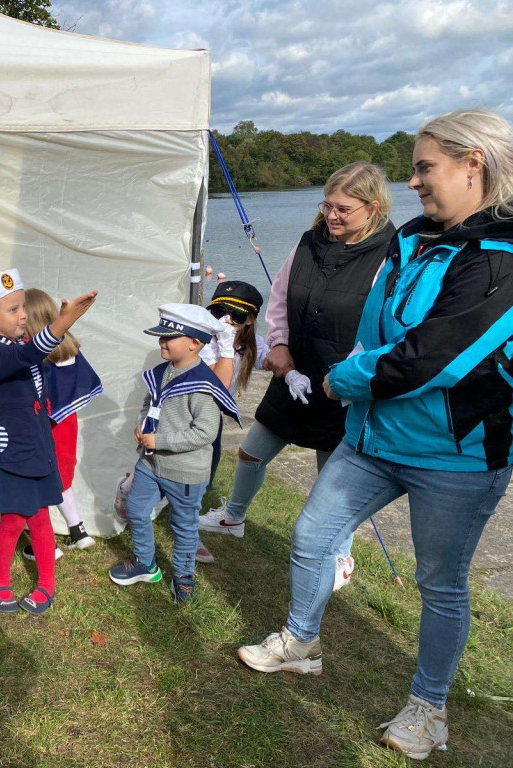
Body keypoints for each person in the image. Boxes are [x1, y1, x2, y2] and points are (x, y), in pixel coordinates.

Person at [237, 109, 513, 761]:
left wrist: (341, 379)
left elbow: (431, 357)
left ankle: (428, 707)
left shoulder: (502, 258)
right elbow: (378, 328)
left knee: (439, 582)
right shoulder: (413, 238)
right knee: (310, 534)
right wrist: (360, 369)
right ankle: (300, 644)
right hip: (373, 438)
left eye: (424, 168)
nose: (413, 182)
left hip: (458, 453)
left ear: (473, 163)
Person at [199, 162, 396, 590]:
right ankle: (233, 516)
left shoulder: (391, 254)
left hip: (345, 384)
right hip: (295, 373)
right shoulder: (308, 243)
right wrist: (281, 344)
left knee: (335, 479)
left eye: (344, 209)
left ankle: (340, 554)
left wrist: (354, 374)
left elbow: (388, 323)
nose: (332, 216)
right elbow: (281, 298)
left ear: (373, 208)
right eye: (327, 205)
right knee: (252, 452)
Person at [0, 265, 97, 616]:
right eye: (13, 310)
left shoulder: (16, 343)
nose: (23, 315)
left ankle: (47, 584)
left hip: (37, 447)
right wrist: (61, 323)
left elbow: (40, 361)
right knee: (12, 520)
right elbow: (26, 357)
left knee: (41, 518)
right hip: (12, 451)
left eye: (23, 307)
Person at [108, 304, 240, 602]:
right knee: (138, 510)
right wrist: (143, 423)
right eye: (161, 337)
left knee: (184, 526)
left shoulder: (204, 386)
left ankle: (182, 575)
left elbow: (205, 432)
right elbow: (149, 402)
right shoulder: (161, 372)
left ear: (195, 343)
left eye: (170, 337)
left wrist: (160, 440)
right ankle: (145, 562)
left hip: (185, 472)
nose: (162, 342)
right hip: (151, 464)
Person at [19, 288, 103, 563]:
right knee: (62, 476)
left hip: (42, 426)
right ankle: (78, 531)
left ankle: (44, 545)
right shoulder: (69, 345)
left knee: (35, 481)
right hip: (67, 423)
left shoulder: (32, 350)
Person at [195, 280, 270, 563]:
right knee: (172, 472)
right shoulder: (202, 341)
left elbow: (273, 359)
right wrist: (225, 347)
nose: (226, 320)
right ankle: (133, 497)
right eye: (219, 312)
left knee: (204, 478)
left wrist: (290, 370)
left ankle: (186, 525)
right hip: (189, 415)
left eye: (236, 315)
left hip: (211, 420)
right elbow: (213, 383)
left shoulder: (249, 344)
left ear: (250, 320)